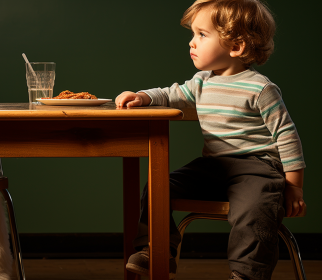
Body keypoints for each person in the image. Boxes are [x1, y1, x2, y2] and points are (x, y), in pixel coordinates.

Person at [115, 0, 306, 279]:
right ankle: (155, 250)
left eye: (202, 35)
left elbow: (287, 135)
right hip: (214, 168)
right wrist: (144, 96)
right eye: (193, 34)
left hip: (257, 168)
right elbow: (171, 94)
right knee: (159, 185)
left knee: (256, 208)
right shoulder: (202, 81)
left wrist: (294, 187)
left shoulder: (261, 88)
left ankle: (247, 273)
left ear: (236, 46)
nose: (192, 43)